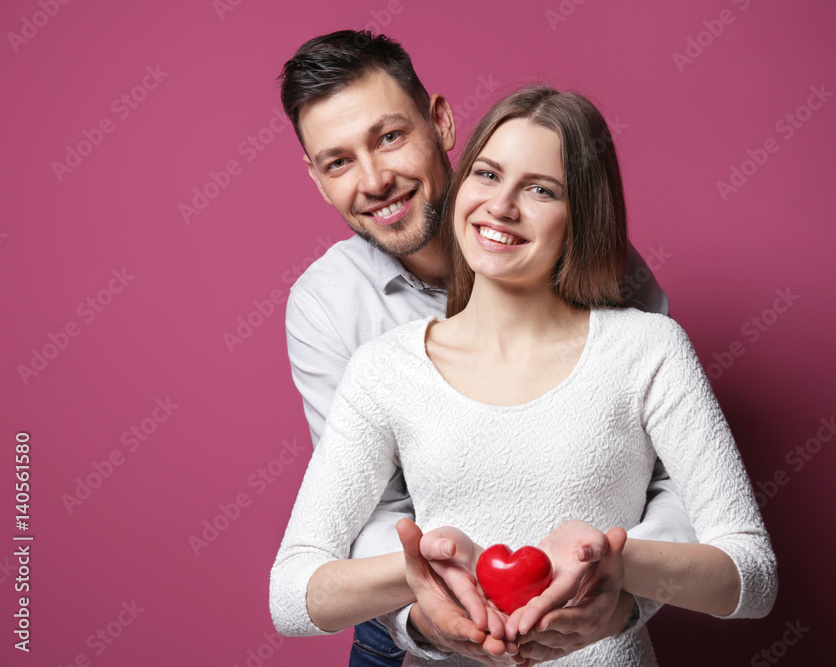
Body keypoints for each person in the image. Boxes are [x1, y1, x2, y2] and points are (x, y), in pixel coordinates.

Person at [270, 85, 778, 666]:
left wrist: (616, 564)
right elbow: (291, 595)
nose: (502, 206)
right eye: (486, 175)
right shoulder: (382, 367)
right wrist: (418, 575)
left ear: (582, 213)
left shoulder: (648, 347)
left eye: (541, 189)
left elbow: (754, 579)